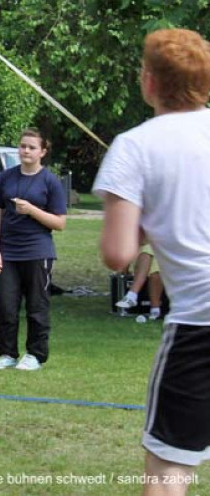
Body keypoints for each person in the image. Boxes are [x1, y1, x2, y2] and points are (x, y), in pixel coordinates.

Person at [95, 28, 210, 494]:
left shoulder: (135, 146)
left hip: (201, 323)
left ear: (148, 82)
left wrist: (136, 217)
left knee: (167, 471)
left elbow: (118, 254)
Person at [0, 129, 67, 371]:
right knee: (6, 306)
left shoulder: (50, 181)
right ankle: (7, 353)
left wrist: (32, 210)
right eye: (22, 146)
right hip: (7, 252)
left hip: (37, 251)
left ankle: (36, 354)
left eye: (31, 147)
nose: (26, 151)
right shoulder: (6, 178)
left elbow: (59, 223)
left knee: (37, 306)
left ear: (42, 151)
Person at [116, 244, 165, 321]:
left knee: (150, 251)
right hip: (140, 256)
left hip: (163, 253)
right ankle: (155, 310)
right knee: (149, 251)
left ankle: (132, 295)